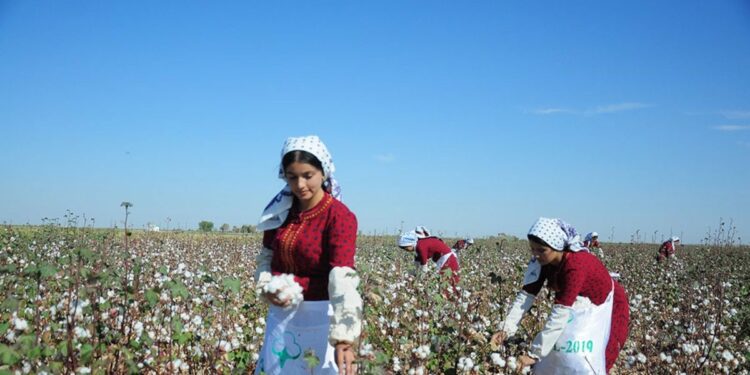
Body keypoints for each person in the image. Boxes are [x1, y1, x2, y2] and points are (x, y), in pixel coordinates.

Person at [254, 136, 361, 375]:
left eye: (308, 175)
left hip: (321, 319)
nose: (300, 184)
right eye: (292, 177)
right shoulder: (280, 212)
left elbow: (343, 277)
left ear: (323, 172)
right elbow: (267, 257)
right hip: (281, 320)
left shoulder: (339, 216)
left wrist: (344, 337)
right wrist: (267, 287)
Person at [491, 218, 629, 374]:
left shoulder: (576, 265)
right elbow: (526, 295)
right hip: (579, 302)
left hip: (608, 305)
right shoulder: (543, 261)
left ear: (557, 246)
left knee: (590, 360)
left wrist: (534, 354)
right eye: (532, 249)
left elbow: (561, 312)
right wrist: (506, 329)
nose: (535, 255)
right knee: (560, 352)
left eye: (541, 250)